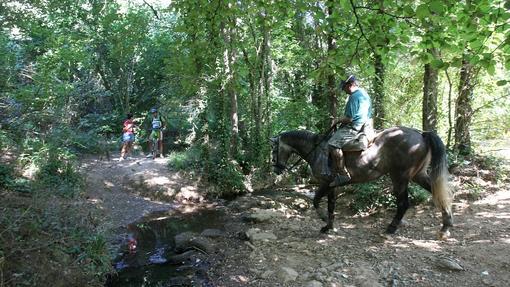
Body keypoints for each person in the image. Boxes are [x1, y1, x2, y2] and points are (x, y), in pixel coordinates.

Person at [328, 75, 373, 187]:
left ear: (351, 85)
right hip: (365, 124)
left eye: (344, 87)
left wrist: (336, 120)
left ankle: (343, 174)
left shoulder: (354, 96)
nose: (344, 90)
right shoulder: (364, 93)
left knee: (332, 144)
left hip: (354, 126)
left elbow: (349, 118)